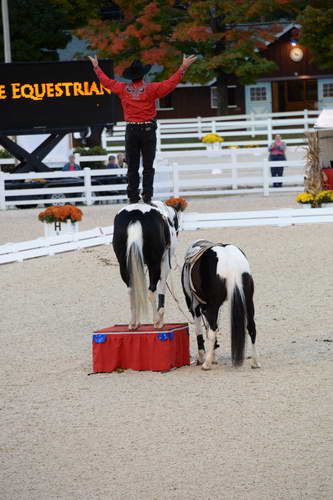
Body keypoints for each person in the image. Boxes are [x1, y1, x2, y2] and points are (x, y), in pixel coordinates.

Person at [88, 54, 197, 204]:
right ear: (143, 75)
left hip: (132, 130)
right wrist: (183, 67)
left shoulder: (123, 89)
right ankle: (147, 196)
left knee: (132, 166)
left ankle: (133, 197)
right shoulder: (151, 89)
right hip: (147, 130)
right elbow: (170, 84)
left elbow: (106, 82)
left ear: (131, 77)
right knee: (148, 166)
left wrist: (96, 67)